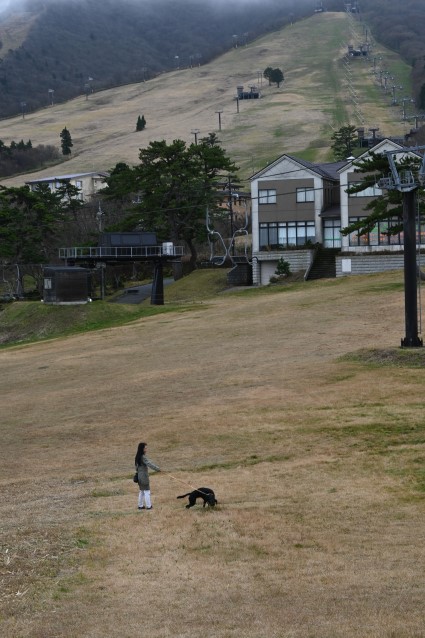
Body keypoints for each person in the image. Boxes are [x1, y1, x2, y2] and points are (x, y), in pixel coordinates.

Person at [134, 442, 160, 510]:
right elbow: (149, 464)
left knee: (142, 491)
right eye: (145, 448)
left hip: (139, 476)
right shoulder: (142, 457)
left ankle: (140, 506)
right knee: (147, 491)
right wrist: (158, 469)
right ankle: (149, 506)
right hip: (144, 477)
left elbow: (136, 468)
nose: (146, 449)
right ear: (142, 449)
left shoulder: (137, 457)